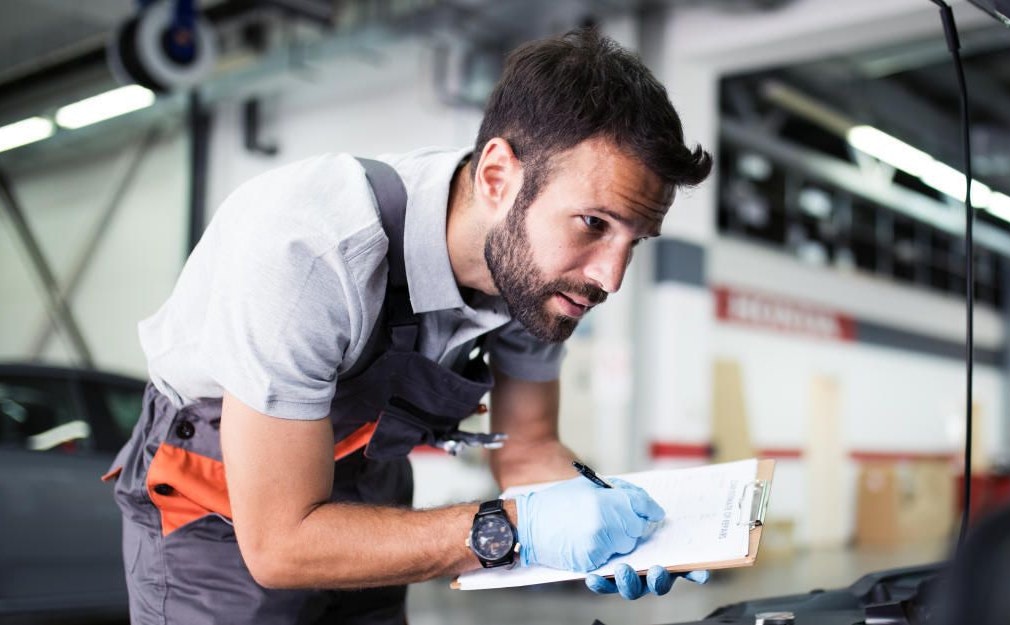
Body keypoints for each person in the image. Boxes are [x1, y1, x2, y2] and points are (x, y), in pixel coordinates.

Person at [105, 27, 713, 623]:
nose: (610, 278)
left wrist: (621, 530)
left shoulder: (540, 281)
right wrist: (516, 530)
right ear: (498, 177)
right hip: (222, 505)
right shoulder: (310, 251)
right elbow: (281, 544)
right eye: (592, 223)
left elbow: (527, 450)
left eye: (636, 241)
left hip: (371, 481)